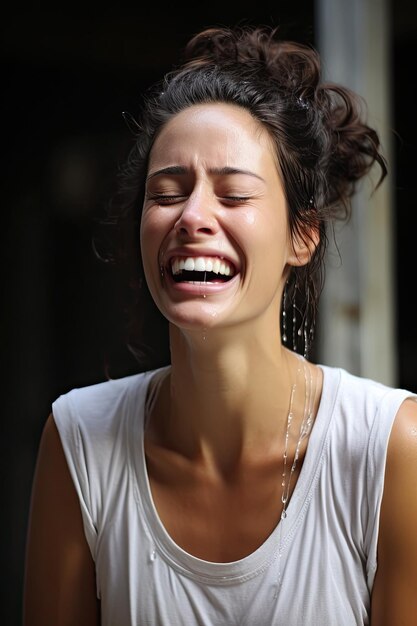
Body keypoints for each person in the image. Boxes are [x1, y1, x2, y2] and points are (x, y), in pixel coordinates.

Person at [23, 24, 417, 626]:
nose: (192, 216)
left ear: (301, 235)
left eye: (233, 195)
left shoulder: (389, 449)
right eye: (167, 193)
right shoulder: (80, 441)